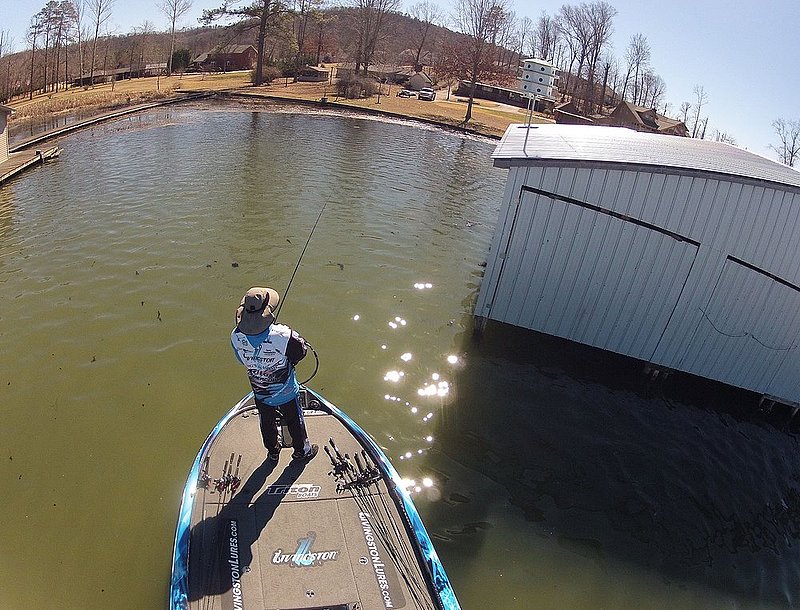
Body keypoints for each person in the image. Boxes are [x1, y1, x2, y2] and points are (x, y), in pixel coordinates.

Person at [231, 287, 318, 462]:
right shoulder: (282, 334)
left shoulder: (236, 336)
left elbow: (241, 360)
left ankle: (273, 452)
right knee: (295, 421)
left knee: (266, 422)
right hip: (287, 392)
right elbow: (300, 352)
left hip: (260, 393)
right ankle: (301, 451)